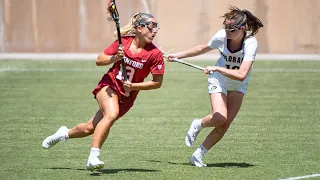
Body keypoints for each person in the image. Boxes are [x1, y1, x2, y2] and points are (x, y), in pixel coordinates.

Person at [42, 12, 164, 171]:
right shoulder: (123, 43)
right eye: (151, 27)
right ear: (139, 28)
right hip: (109, 85)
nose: (155, 31)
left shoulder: (155, 54)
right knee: (111, 115)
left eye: (156, 28)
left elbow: (157, 83)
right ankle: (93, 156)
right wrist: (115, 58)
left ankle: (63, 133)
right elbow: (99, 60)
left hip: (126, 97)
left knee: (89, 128)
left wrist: (133, 86)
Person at [167, 5, 263, 167]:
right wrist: (178, 55)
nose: (227, 32)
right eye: (225, 28)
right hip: (219, 80)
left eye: (231, 29)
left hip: (239, 84)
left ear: (242, 28)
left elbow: (242, 74)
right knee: (220, 117)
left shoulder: (251, 43)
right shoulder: (222, 36)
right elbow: (203, 48)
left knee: (225, 124)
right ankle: (198, 124)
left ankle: (198, 155)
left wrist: (217, 67)